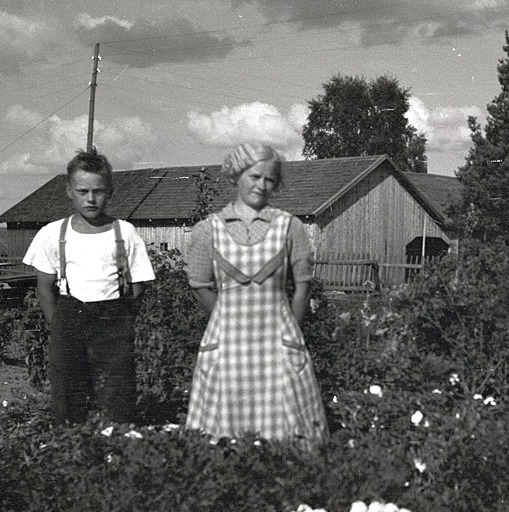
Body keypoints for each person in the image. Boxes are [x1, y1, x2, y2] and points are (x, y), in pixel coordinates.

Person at [184, 143, 327, 448]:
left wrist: (291, 327)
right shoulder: (208, 229)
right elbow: (198, 283)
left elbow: (303, 285)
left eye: (270, 179)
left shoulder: (290, 227)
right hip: (228, 344)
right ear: (237, 176)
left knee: (288, 429)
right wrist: (226, 316)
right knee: (223, 431)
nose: (261, 186)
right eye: (254, 176)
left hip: (277, 342)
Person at [23, 148, 155, 423]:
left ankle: (115, 446)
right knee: (67, 391)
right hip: (69, 316)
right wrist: (57, 323)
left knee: (117, 390)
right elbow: (44, 287)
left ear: (110, 191)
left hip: (113, 320)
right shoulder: (52, 234)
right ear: (69, 191)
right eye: (83, 191)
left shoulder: (125, 232)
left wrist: (122, 318)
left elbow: (139, 287)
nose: (91, 199)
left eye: (99, 191)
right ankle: (71, 449)